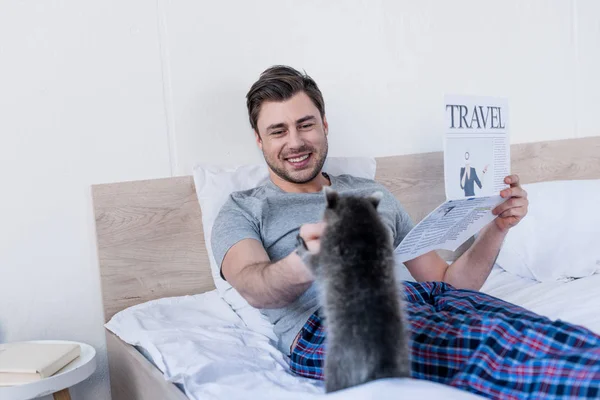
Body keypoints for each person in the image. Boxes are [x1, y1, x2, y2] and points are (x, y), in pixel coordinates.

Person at [211, 65, 600, 398]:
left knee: (541, 333)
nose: (295, 142)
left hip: (423, 298)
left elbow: (449, 284)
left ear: (324, 126)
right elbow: (254, 286)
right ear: (260, 141)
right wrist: (308, 259)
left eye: (305, 124)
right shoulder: (244, 208)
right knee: (491, 348)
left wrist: (496, 227)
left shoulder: (371, 192)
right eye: (278, 131)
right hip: (332, 322)